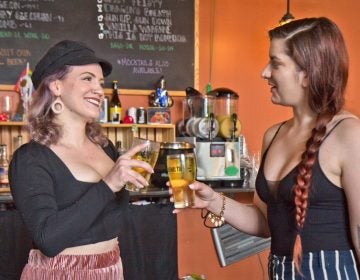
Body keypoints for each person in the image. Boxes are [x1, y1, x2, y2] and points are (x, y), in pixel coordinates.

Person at [176, 17, 360, 279]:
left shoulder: (349, 134)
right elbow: (264, 223)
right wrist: (213, 201)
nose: (264, 72)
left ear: (308, 74)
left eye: (275, 63)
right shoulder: (273, 135)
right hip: (280, 271)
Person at [9, 40, 154, 279]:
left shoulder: (107, 149)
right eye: (87, 78)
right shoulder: (30, 158)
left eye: (100, 82)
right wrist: (108, 184)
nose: (99, 89)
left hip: (111, 269)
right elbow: (49, 239)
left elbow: (111, 217)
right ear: (56, 86)